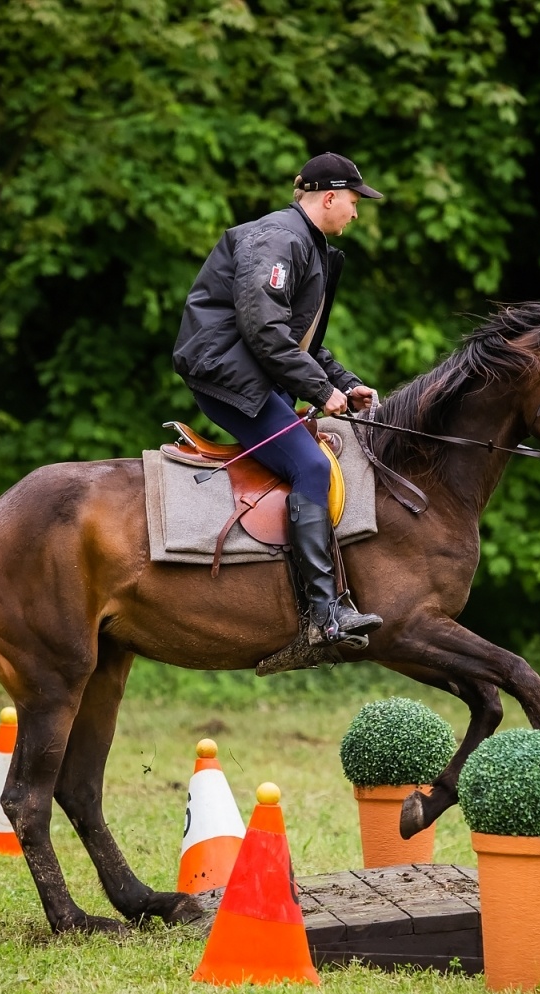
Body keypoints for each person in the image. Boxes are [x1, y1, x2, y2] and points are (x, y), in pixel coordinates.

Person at [172, 152, 385, 647]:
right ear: (329, 197)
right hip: (229, 378)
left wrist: (344, 382)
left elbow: (297, 340)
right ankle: (324, 616)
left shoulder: (302, 243)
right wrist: (321, 391)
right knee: (310, 466)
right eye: (354, 201)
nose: (356, 212)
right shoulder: (279, 239)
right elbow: (265, 331)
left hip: (252, 374)